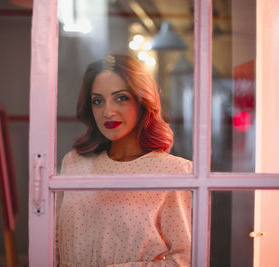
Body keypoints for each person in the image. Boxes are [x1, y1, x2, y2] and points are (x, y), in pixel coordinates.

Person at [57, 55, 192, 267]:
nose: (108, 112)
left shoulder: (174, 171)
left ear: (142, 102)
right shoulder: (74, 163)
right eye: (98, 101)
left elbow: (184, 259)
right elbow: (52, 242)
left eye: (121, 98)